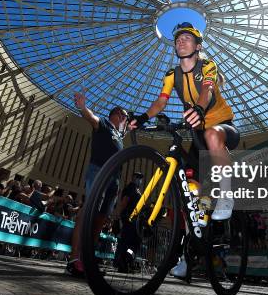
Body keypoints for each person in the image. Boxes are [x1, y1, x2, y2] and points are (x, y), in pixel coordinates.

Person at [129, 22, 240, 221]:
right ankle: (200, 218)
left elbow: (207, 90)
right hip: (198, 134)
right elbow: (161, 101)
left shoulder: (207, 66)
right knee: (192, 181)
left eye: (187, 38)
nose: (181, 41)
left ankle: (226, 196)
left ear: (198, 46)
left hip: (223, 128)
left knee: (212, 134)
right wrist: (143, 117)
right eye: (178, 39)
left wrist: (199, 108)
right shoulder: (171, 75)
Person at [66, 93, 128, 277]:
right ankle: (74, 259)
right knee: (88, 212)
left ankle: (88, 260)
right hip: (99, 172)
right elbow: (91, 118)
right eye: (124, 116)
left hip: (114, 180)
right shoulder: (105, 124)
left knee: (100, 219)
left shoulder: (119, 134)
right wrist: (82, 107)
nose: (125, 120)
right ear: (116, 114)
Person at [114, 172, 143, 273]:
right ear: (133, 178)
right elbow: (124, 202)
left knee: (133, 243)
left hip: (134, 220)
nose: (140, 180)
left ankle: (126, 261)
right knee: (127, 242)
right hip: (128, 219)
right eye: (138, 177)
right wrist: (118, 217)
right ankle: (122, 263)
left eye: (141, 178)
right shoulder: (130, 188)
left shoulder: (137, 190)